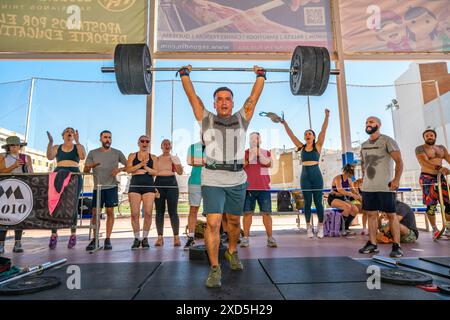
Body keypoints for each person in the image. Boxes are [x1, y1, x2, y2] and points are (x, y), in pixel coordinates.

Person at [180, 64, 265, 288]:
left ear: (233, 103)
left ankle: (232, 251)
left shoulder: (241, 118)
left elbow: (254, 98)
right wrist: (185, 74)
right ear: (215, 102)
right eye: (219, 99)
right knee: (213, 223)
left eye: (228, 98)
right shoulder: (206, 118)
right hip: (212, 178)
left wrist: (261, 75)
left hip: (237, 178)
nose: (224, 102)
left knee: (235, 224)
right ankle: (215, 268)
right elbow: (192, 97)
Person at [280, 109, 330, 238]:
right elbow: (291, 135)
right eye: (306, 134)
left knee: (318, 202)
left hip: (316, 175)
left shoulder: (317, 146)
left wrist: (326, 116)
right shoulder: (301, 147)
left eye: (310, 133)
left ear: (313, 137)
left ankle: (320, 227)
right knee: (307, 202)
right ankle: (308, 227)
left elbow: (323, 131)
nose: (307, 135)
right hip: (305, 176)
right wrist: (284, 123)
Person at [358, 116, 404, 258]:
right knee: (371, 214)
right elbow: (363, 163)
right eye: (366, 122)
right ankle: (373, 244)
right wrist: (363, 178)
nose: (368, 124)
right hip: (368, 187)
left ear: (379, 124)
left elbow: (399, 161)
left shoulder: (387, 141)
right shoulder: (364, 144)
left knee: (391, 215)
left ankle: (396, 246)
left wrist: (396, 179)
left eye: (371, 122)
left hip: (385, 186)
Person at [84, 130, 127, 251]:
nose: (107, 139)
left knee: (110, 212)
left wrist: (120, 170)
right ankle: (95, 238)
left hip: (111, 187)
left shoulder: (117, 153)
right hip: (98, 188)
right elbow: (86, 170)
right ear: (100, 139)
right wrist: (90, 167)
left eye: (109, 137)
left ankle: (108, 239)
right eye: (105, 137)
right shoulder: (93, 153)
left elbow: (129, 165)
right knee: (94, 213)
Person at [46, 127, 86, 249]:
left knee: (73, 204)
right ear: (63, 135)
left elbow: (83, 156)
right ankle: (54, 234)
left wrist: (78, 142)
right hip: (58, 174)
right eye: (67, 131)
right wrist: (50, 143)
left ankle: (73, 234)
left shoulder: (78, 146)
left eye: (72, 132)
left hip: (74, 175)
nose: (70, 132)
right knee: (55, 203)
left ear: (74, 136)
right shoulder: (57, 147)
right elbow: (49, 157)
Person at [241, 132, 277, 248]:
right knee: (247, 214)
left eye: (256, 138)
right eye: (251, 138)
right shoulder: (245, 153)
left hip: (263, 188)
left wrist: (259, 154)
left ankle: (270, 238)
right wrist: (251, 156)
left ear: (259, 140)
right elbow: (242, 165)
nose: (253, 140)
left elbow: (269, 164)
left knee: (266, 213)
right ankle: (245, 238)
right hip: (248, 188)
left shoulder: (266, 152)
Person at [0, 136, 33, 254]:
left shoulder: (26, 157)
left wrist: (27, 167)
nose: (16, 147)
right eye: (13, 145)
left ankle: (18, 242)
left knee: (20, 215)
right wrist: (13, 166)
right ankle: (1, 243)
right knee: (3, 215)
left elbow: (31, 174)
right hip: (5, 189)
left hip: (21, 188)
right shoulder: (2, 157)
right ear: (8, 147)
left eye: (18, 145)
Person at [415, 129, 450, 239]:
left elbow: (448, 158)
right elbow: (423, 161)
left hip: (441, 177)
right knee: (431, 205)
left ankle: (448, 228)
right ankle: (434, 229)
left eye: (431, 135)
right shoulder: (420, 148)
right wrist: (440, 168)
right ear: (424, 138)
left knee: (449, 202)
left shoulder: (441, 148)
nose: (429, 137)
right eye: (427, 135)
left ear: (435, 137)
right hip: (427, 177)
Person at [126, 135, 158, 250]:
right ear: (138, 143)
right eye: (142, 141)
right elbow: (128, 169)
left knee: (148, 213)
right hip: (135, 185)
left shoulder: (153, 157)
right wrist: (140, 165)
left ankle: (145, 238)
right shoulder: (132, 155)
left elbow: (155, 172)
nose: (145, 143)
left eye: (147, 141)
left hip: (149, 185)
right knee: (135, 214)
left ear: (149, 143)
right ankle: (136, 238)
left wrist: (145, 168)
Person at [154, 139, 183, 247]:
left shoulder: (174, 158)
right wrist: (154, 187)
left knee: (173, 211)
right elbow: (152, 173)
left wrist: (177, 163)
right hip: (159, 183)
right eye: (164, 144)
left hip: (171, 183)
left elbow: (180, 172)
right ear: (161, 146)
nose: (167, 145)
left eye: (168, 144)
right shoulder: (156, 159)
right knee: (159, 211)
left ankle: (176, 237)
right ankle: (160, 237)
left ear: (171, 146)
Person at [327, 164, 361, 236]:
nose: (352, 176)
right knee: (347, 207)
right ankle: (340, 228)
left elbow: (353, 190)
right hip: (333, 198)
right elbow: (341, 190)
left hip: (342, 198)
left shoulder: (349, 180)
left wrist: (358, 196)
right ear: (347, 172)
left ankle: (346, 228)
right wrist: (352, 195)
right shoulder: (338, 178)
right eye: (351, 174)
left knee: (355, 209)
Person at [184, 136, 205, 250]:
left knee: (213, 212)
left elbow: (216, 163)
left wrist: (197, 161)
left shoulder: (215, 147)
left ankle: (214, 236)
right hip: (195, 182)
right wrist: (206, 161)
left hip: (211, 182)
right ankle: (191, 238)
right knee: (193, 209)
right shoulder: (193, 147)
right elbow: (189, 161)